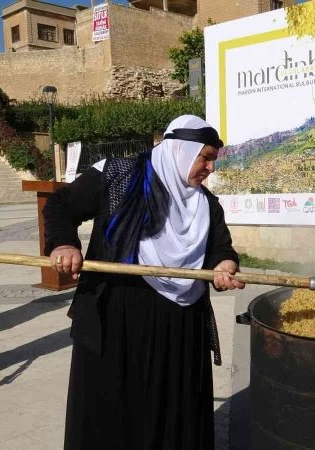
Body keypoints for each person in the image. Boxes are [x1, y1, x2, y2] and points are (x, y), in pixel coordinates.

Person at [43, 115, 245, 449]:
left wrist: (224, 264)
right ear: (180, 150)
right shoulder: (117, 174)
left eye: (213, 160)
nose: (210, 168)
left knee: (172, 406)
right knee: (114, 410)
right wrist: (64, 243)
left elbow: (221, 249)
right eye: (205, 157)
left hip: (180, 327)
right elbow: (61, 205)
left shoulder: (206, 204)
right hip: (117, 319)